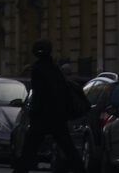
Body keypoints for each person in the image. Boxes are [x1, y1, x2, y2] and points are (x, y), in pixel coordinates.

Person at [10, 42, 86, 173]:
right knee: (69, 149)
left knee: (29, 150)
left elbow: (38, 94)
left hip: (41, 117)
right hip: (57, 117)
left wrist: (34, 113)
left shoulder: (37, 69)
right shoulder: (55, 69)